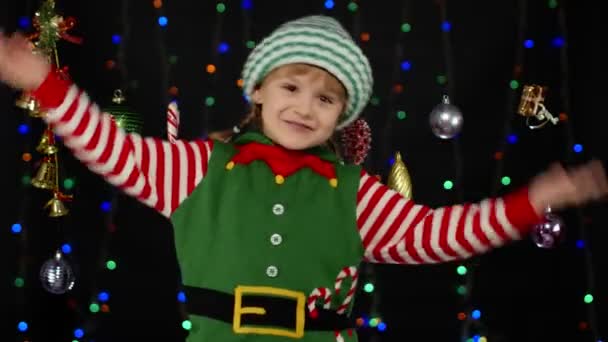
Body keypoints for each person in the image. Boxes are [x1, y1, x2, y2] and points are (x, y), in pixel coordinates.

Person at [1, 15, 607, 342]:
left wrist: (535, 201)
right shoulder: (196, 169)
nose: (304, 106)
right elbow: (111, 147)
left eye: (326, 98)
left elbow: (438, 234)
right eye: (291, 86)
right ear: (259, 90)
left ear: (340, 117)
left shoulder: (356, 193)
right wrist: (43, 82)